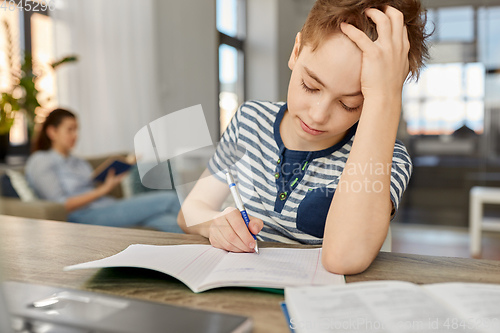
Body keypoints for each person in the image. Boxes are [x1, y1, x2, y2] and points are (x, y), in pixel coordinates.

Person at [178, 0, 431, 274]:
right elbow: (190, 211)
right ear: (296, 51)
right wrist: (214, 223)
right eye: (310, 86)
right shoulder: (250, 119)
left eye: (349, 104)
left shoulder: (389, 157)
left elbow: (344, 258)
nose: (319, 115)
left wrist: (385, 97)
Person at [25, 108, 183, 233]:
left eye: (76, 129)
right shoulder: (41, 160)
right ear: (52, 132)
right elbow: (60, 205)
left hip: (105, 206)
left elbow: (91, 186)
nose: (75, 135)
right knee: (169, 199)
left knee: (165, 220)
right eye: (70, 130)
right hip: (81, 216)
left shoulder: (78, 161)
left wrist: (109, 182)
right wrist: (102, 191)